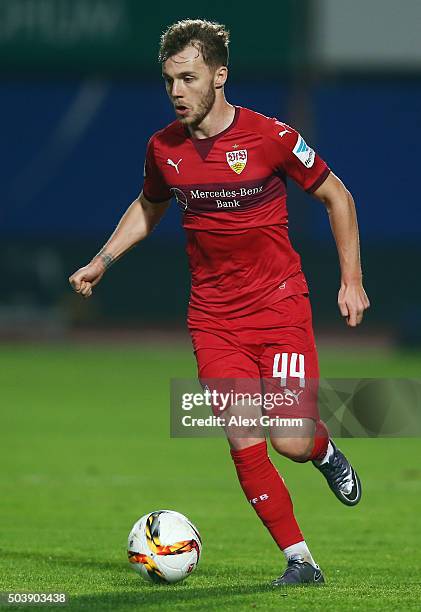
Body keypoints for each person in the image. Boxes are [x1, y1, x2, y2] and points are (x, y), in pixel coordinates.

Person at [69, 19, 370, 586]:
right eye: (168, 81)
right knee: (243, 436)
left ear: (219, 75)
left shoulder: (271, 137)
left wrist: (350, 281)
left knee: (290, 439)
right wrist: (102, 260)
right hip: (214, 320)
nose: (177, 91)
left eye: (187, 78)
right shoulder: (164, 148)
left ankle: (324, 451)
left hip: (280, 309)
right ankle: (300, 560)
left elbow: (338, 196)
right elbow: (149, 205)